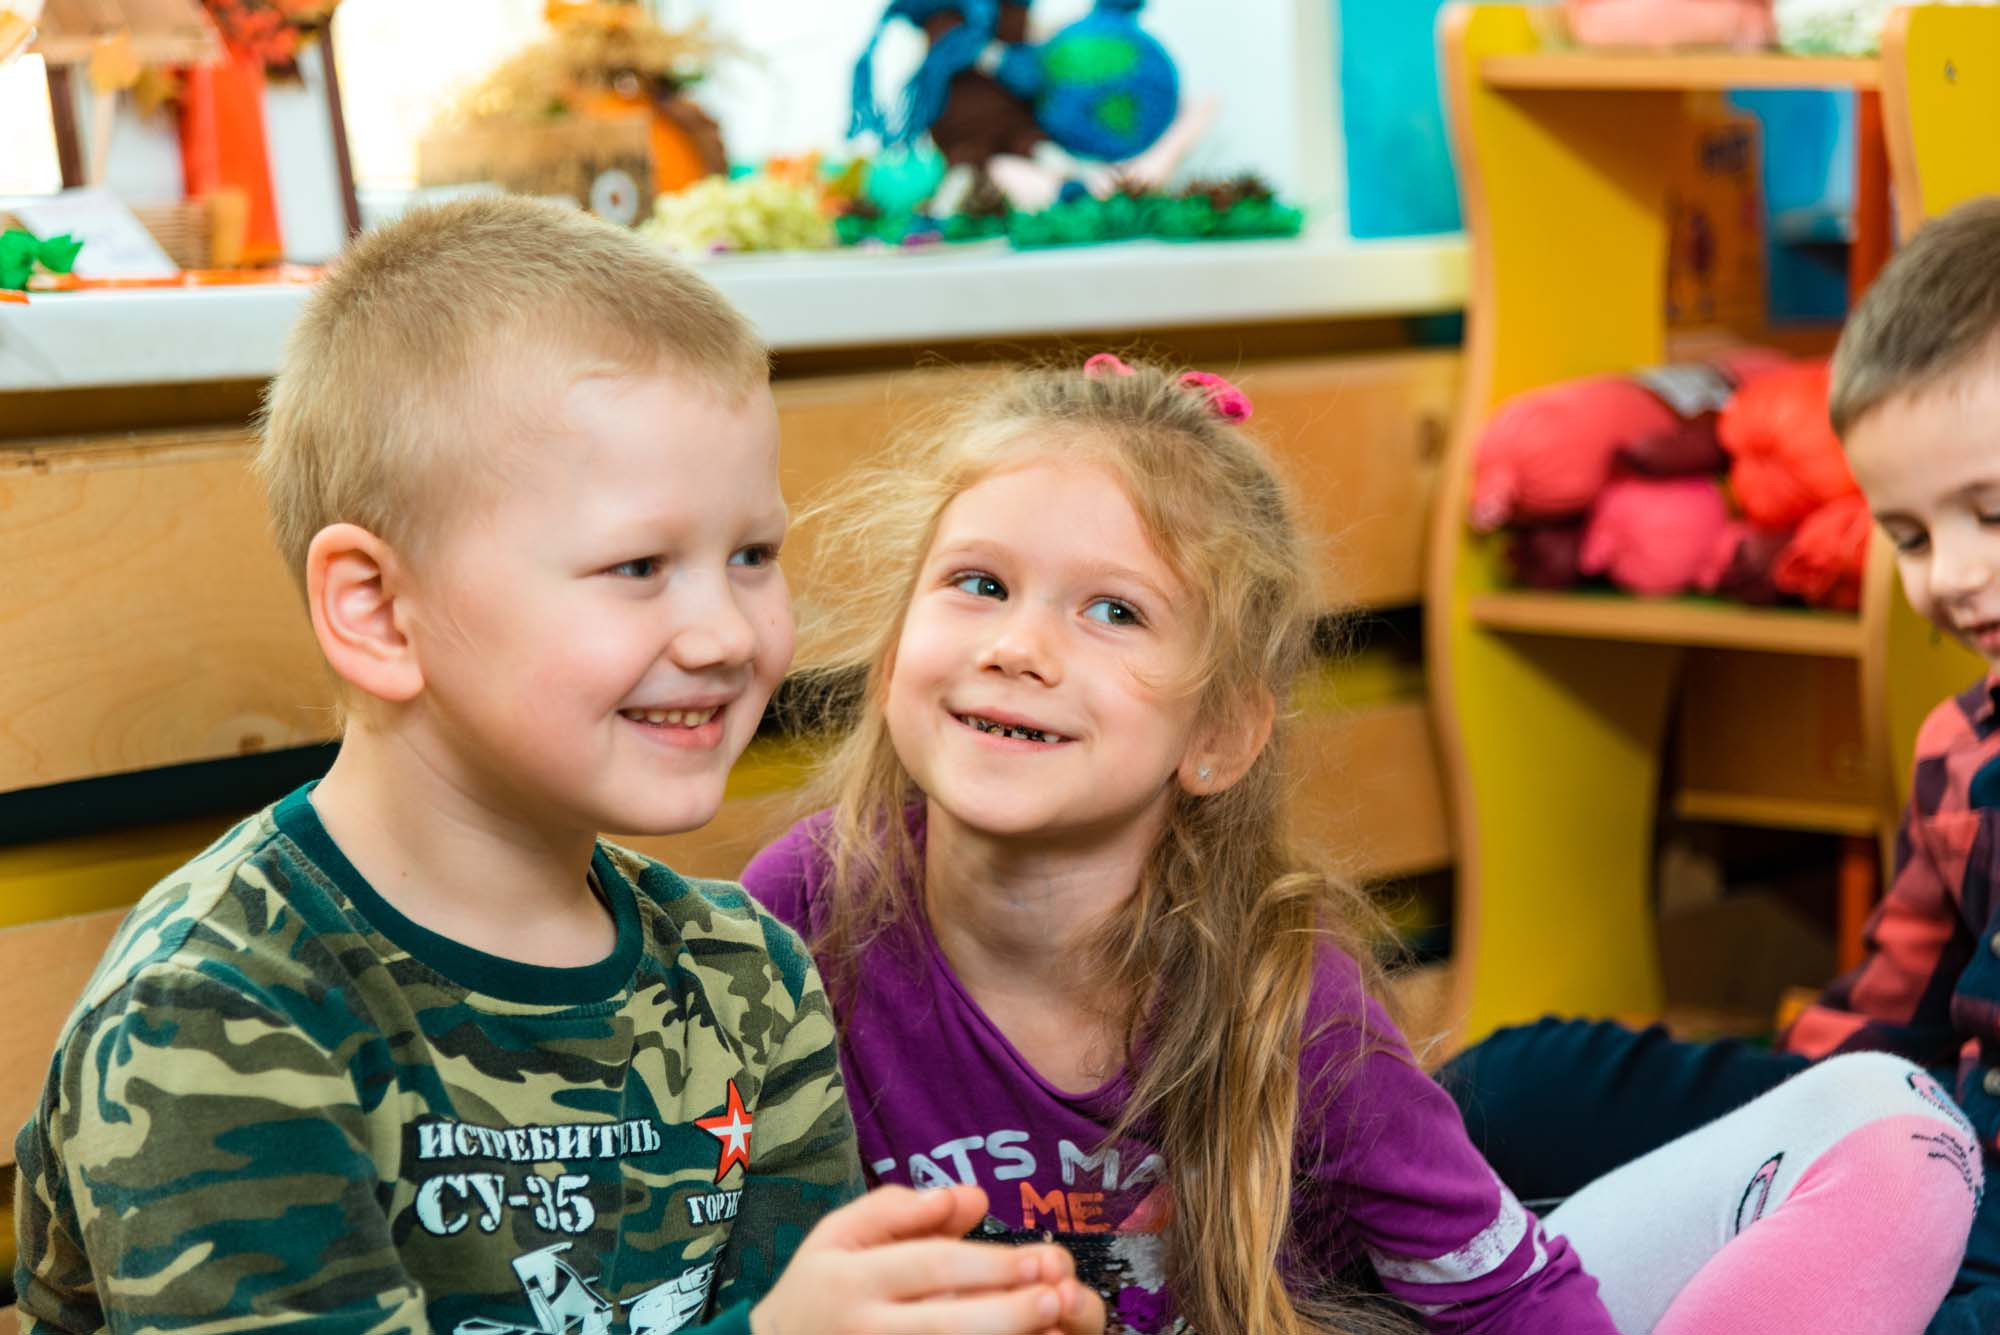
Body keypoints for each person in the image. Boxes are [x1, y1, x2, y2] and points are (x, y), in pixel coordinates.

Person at [13, 196, 1102, 1335]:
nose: (725, 634)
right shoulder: (222, 1010)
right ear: (380, 611)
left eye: (751, 555)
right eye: (637, 564)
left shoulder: (749, 983)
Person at [741, 354, 1981, 1334]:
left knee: (1900, 1121)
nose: (1019, 645)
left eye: (1112, 610)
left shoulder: (1287, 988)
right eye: (975, 584)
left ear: (1217, 736)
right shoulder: (795, 914)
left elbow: (1506, 1298)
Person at [1441, 196, 2000, 1335]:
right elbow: (1880, 1029)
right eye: (1906, 534)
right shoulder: (1958, 747)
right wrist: (1766, 1152)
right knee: (1517, 1083)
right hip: (1936, 1141)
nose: (1947, 575)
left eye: (1988, 513)